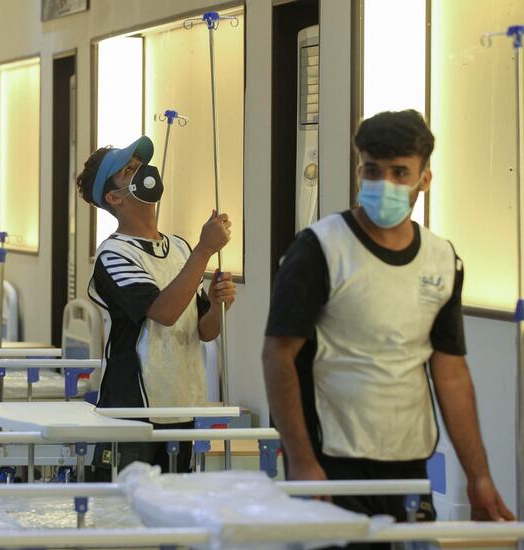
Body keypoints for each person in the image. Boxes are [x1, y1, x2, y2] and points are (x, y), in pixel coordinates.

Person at [262, 110, 513, 526]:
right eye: (373, 171)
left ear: (424, 180)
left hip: (409, 462)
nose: (385, 185)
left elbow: (450, 373)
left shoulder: (443, 260)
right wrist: (303, 462)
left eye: (400, 172)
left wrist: (479, 476)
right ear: (359, 171)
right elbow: (278, 356)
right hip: (332, 461)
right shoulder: (320, 250)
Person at [76, 135, 236, 476]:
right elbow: (163, 313)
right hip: (133, 406)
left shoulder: (179, 247)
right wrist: (204, 250)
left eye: (139, 165)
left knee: (172, 511)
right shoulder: (114, 253)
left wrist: (220, 305)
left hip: (182, 402)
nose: (143, 171)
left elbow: (204, 331)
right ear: (114, 197)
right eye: (129, 170)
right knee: (123, 513)